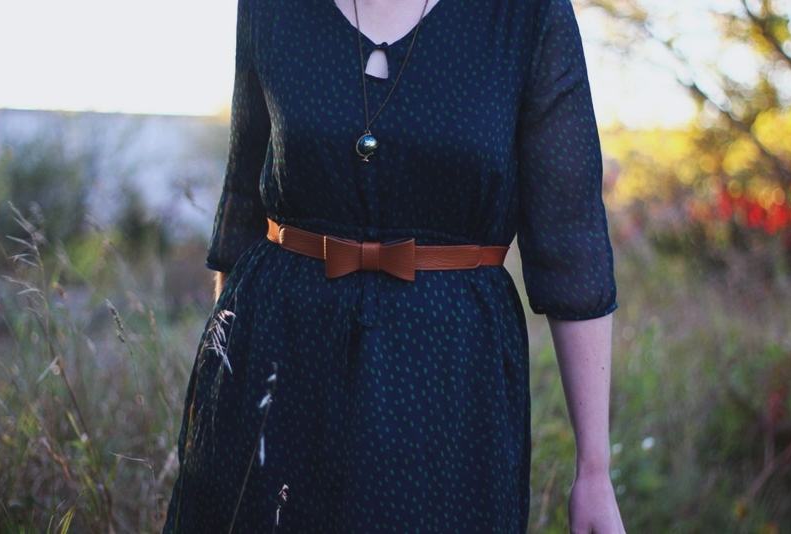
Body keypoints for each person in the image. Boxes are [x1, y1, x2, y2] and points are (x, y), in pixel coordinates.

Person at [164, 0, 626, 532]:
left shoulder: (525, 15)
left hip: (452, 381)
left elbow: (572, 244)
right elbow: (244, 209)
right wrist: (223, 396)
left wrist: (594, 471)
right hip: (281, 361)